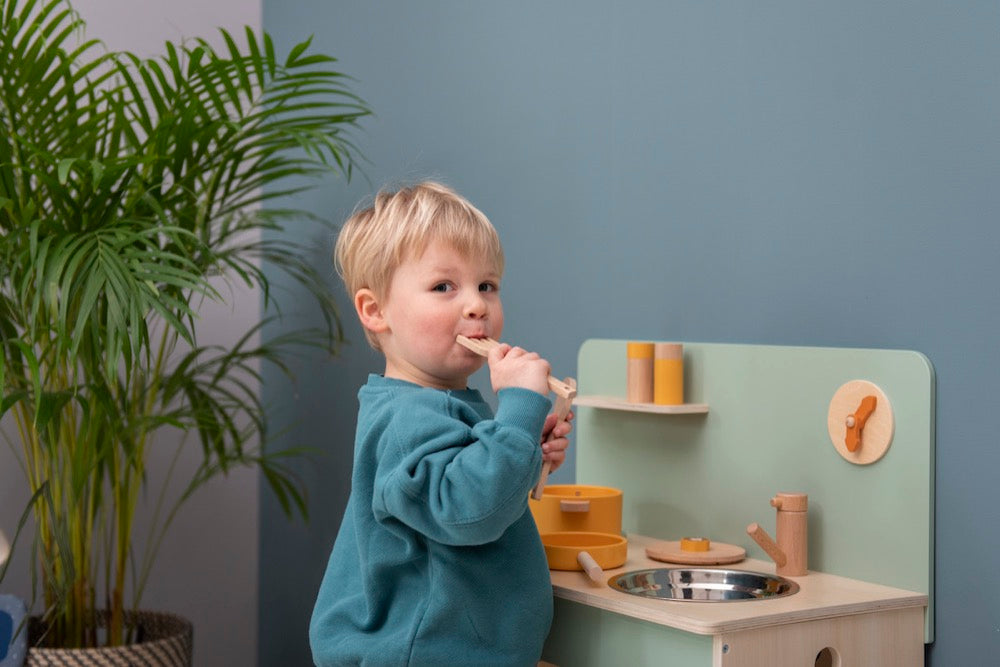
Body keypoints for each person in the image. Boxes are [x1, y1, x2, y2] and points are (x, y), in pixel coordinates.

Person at [309, 181, 573, 666]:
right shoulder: (410, 416)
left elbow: (465, 485)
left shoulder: (442, 404)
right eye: (443, 287)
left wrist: (523, 445)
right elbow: (469, 511)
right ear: (376, 311)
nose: (476, 305)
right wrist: (515, 411)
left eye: (486, 285)